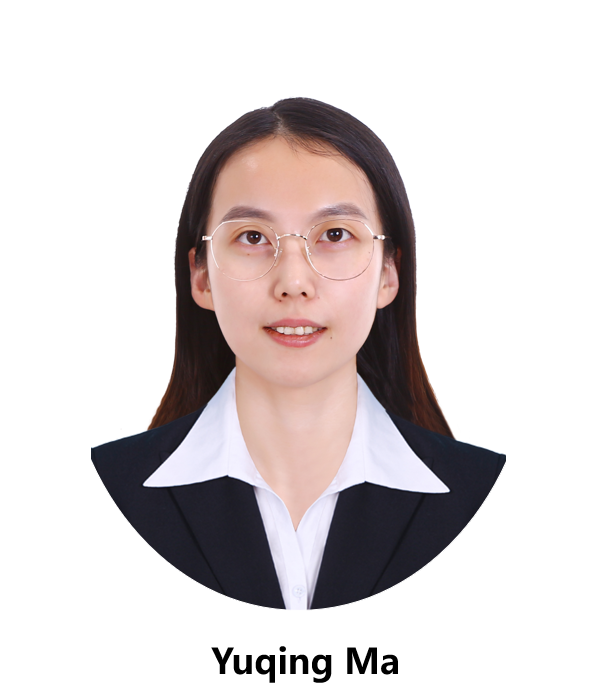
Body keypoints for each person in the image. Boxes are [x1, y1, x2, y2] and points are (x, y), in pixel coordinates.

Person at [91, 97, 505, 610]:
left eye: (335, 234)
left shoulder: (491, 497)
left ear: (388, 273)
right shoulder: (100, 492)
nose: (292, 282)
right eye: (252, 237)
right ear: (201, 276)